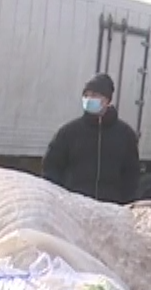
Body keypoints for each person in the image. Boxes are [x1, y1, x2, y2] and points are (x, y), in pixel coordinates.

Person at [42, 73, 141, 203]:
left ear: (107, 100)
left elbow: (131, 174)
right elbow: (51, 167)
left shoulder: (125, 135)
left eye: (94, 95)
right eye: (86, 95)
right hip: (75, 205)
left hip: (111, 206)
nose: (89, 99)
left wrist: (126, 202)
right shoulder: (69, 132)